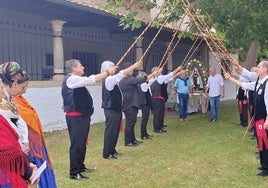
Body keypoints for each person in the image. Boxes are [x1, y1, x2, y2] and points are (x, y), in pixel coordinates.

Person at [61, 59, 117, 180]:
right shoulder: (71, 78)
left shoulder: (74, 80)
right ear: (74, 68)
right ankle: (74, 172)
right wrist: (107, 72)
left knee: (82, 142)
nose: (83, 68)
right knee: (77, 144)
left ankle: (80, 166)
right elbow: (91, 79)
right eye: (80, 66)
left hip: (82, 116)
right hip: (76, 117)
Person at [225, 59, 268, 177]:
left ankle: (266, 168)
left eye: (259, 67)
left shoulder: (267, 83)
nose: (257, 69)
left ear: (265, 69)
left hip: (264, 119)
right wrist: (230, 79)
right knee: (261, 141)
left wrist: (267, 120)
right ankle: (264, 164)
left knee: (265, 142)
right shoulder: (258, 82)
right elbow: (244, 84)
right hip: (258, 117)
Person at [0, 65, 38, 188]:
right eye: (1, 87)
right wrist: (27, 171)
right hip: (7, 169)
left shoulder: (10, 101)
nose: (2, 91)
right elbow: (5, 149)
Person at [13, 96, 57, 187]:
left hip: (34, 142)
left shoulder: (19, 99)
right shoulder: (8, 103)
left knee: (39, 170)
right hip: (26, 145)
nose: (25, 90)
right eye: (23, 87)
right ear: (13, 85)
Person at [101, 60, 142, 159]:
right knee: (110, 131)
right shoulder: (108, 79)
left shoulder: (111, 79)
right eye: (113, 67)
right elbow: (121, 74)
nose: (115, 69)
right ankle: (107, 153)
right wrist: (133, 67)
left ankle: (112, 150)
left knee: (115, 131)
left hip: (116, 108)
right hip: (111, 109)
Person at [119, 62, 158, 147]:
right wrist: (153, 74)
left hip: (131, 104)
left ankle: (132, 139)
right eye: (132, 69)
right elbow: (141, 80)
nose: (133, 71)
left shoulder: (126, 79)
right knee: (130, 124)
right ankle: (128, 141)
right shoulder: (128, 79)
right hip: (130, 105)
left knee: (132, 123)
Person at [150, 66, 181, 133]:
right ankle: (157, 128)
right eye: (158, 70)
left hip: (158, 98)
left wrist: (177, 74)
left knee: (160, 112)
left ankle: (160, 125)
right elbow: (169, 75)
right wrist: (177, 69)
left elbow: (169, 78)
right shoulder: (159, 78)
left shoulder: (156, 78)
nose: (160, 70)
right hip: (157, 98)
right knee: (158, 113)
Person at [138, 69, 161, 140]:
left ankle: (145, 133)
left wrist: (156, 75)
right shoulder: (143, 84)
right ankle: (143, 134)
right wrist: (155, 75)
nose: (147, 77)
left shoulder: (143, 84)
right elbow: (151, 81)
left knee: (145, 119)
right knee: (144, 119)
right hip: (145, 104)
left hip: (146, 103)